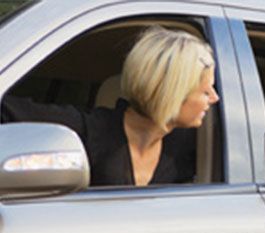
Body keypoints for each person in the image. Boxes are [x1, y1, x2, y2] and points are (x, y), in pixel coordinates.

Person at [1, 26, 219, 186]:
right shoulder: (88, 130)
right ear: (173, 94)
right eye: (206, 91)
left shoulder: (197, 145)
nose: (215, 98)